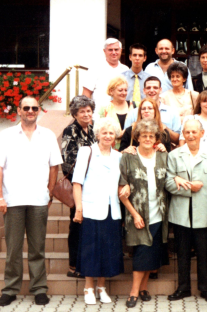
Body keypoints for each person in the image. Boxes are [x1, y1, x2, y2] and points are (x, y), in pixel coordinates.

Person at [0, 96, 63, 307]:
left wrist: (49, 192)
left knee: (37, 248)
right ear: (19, 111)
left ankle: (39, 289)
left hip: (39, 200)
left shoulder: (47, 136)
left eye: (34, 108)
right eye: (26, 107)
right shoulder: (6, 135)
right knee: (13, 248)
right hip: (13, 200)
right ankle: (10, 289)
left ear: (39, 111)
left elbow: (54, 166)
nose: (30, 111)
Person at [72, 117, 127, 305]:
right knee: (91, 249)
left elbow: (121, 182)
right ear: (97, 134)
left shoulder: (119, 156)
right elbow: (77, 182)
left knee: (108, 250)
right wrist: (78, 208)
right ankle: (88, 288)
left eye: (111, 133)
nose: (108, 136)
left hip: (112, 210)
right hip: (91, 208)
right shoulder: (86, 152)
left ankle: (101, 287)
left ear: (116, 136)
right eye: (104, 132)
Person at [165, 119, 207, 303]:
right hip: (181, 215)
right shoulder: (174, 156)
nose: (190, 135)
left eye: (194, 132)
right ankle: (183, 288)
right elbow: (167, 183)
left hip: (204, 215)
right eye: (187, 132)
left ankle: (206, 289)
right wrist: (189, 187)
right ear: (183, 134)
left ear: (202, 133)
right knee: (182, 253)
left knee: (204, 254)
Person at [119, 120, 169, 308]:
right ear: (137, 138)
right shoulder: (128, 157)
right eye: (143, 136)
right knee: (141, 252)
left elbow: (170, 179)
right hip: (137, 214)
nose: (147, 139)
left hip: (159, 213)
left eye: (151, 136)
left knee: (152, 251)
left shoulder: (164, 156)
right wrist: (134, 214)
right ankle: (133, 292)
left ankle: (144, 288)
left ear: (156, 138)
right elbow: (122, 189)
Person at [61, 95, 96, 279]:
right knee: (76, 224)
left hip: (93, 185)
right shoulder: (70, 131)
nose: (86, 114)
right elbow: (67, 161)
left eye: (88, 110)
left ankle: (85, 263)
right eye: (82, 111)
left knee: (88, 226)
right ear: (75, 114)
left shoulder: (93, 129)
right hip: (78, 185)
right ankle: (73, 266)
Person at [124, 76, 181, 145]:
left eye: (155, 88)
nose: (151, 90)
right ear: (144, 90)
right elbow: (126, 137)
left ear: (160, 90)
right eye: (148, 88)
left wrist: (164, 127)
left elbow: (178, 139)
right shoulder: (133, 113)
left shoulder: (172, 112)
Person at [83, 38, 129, 119]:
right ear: (104, 51)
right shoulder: (95, 69)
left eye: (116, 49)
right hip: (99, 116)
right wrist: (88, 117)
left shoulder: (125, 70)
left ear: (121, 50)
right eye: (110, 50)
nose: (114, 52)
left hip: (121, 116)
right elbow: (86, 94)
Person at [99, 76, 134, 150]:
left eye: (125, 90)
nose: (124, 93)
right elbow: (101, 131)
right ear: (111, 91)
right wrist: (125, 131)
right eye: (120, 90)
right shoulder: (105, 108)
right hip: (111, 150)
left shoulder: (134, 106)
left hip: (131, 149)